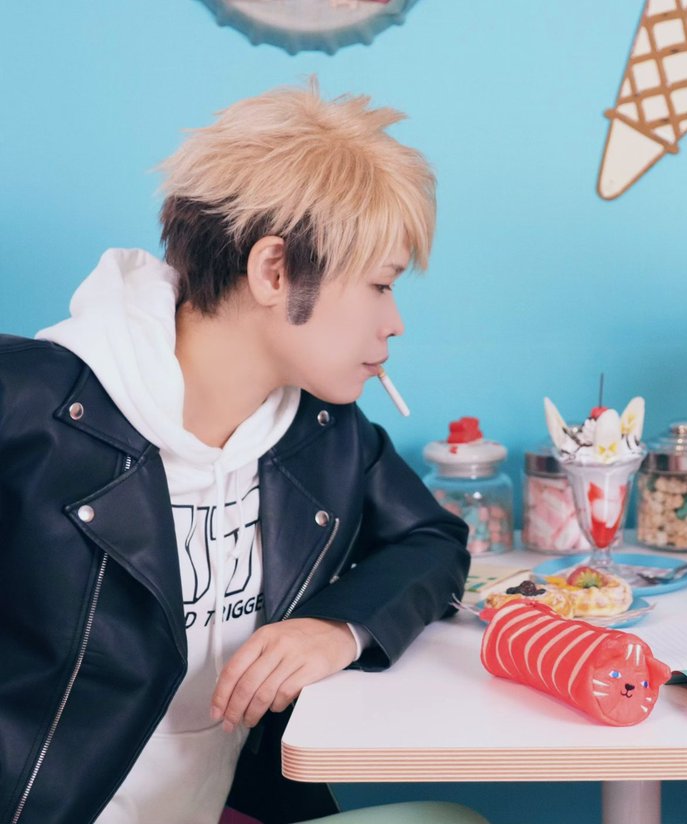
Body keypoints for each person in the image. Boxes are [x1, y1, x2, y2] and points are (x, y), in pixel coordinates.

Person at [0, 83, 474, 824]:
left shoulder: (321, 429)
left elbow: (433, 540)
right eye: (381, 284)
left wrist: (337, 628)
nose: (395, 322)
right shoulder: (29, 403)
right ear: (274, 271)